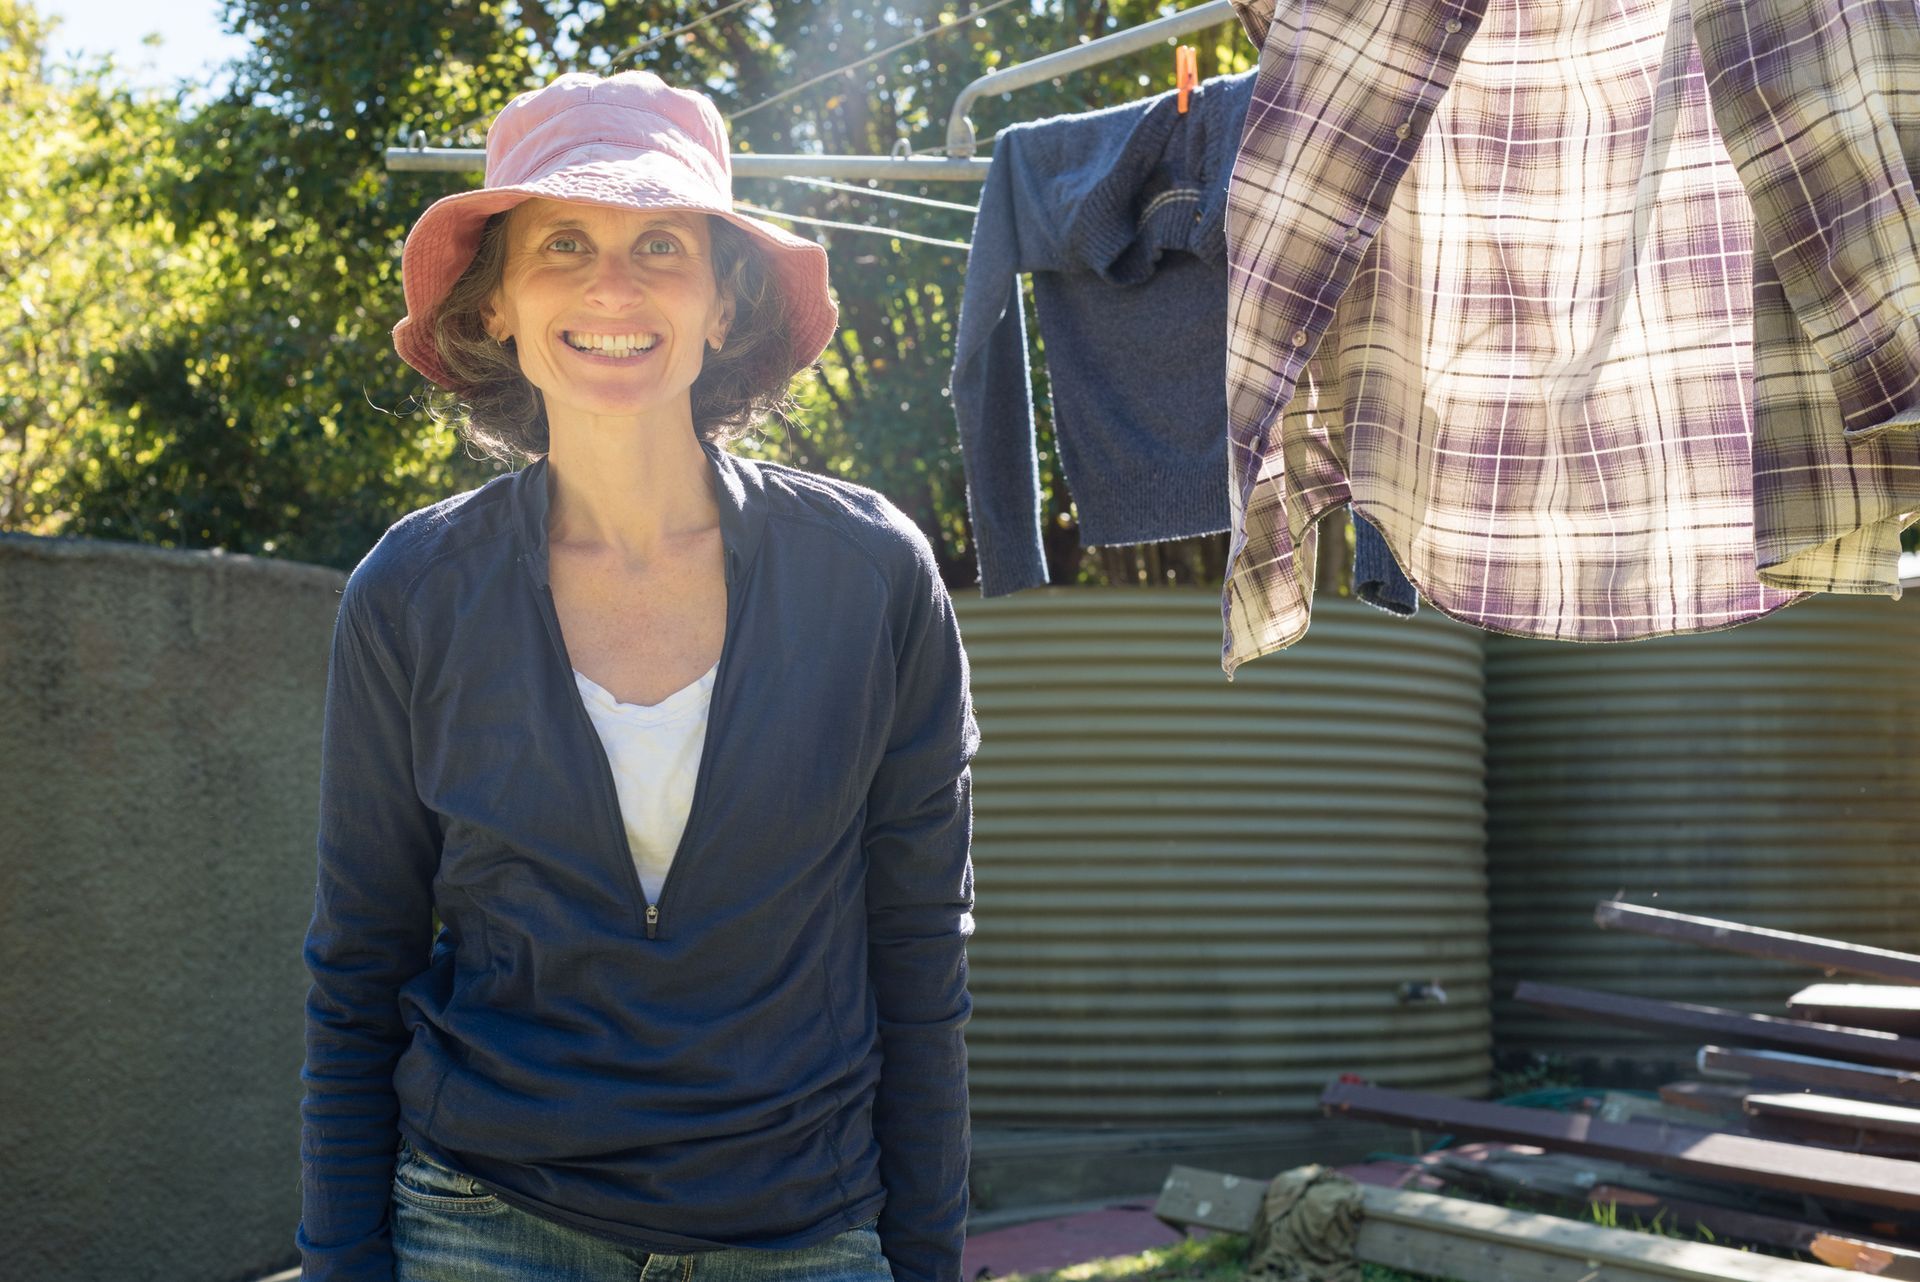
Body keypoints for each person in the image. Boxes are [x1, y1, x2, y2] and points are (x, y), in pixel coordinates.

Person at [296, 71, 978, 1282]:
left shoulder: (872, 576)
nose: (614, 285)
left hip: (805, 1237)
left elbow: (919, 950)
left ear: (725, 302)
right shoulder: (409, 595)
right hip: (481, 1227)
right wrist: (346, 1262)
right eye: (563, 242)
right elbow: (361, 964)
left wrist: (922, 1255)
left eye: (662, 242)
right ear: (495, 303)